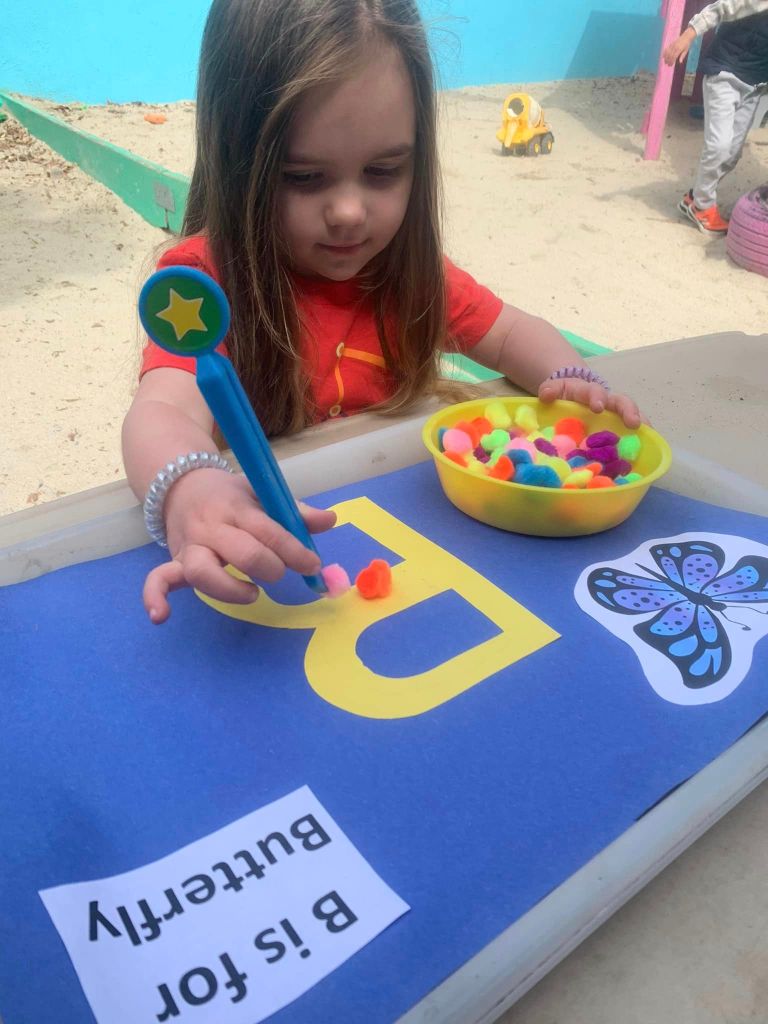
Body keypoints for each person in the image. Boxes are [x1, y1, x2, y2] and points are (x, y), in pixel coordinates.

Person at [122, 0, 643, 624]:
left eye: (383, 171)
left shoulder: (408, 270)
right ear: (236, 161)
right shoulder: (206, 284)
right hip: (271, 557)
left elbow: (509, 334)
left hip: (407, 548)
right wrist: (189, 488)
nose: (348, 212)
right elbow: (164, 408)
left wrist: (571, 377)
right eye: (304, 176)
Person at [663, 0, 768, 233]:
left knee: (731, 154)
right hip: (724, 75)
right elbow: (721, 8)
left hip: (754, 87)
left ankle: (695, 196)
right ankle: (703, 206)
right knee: (719, 146)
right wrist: (687, 36)